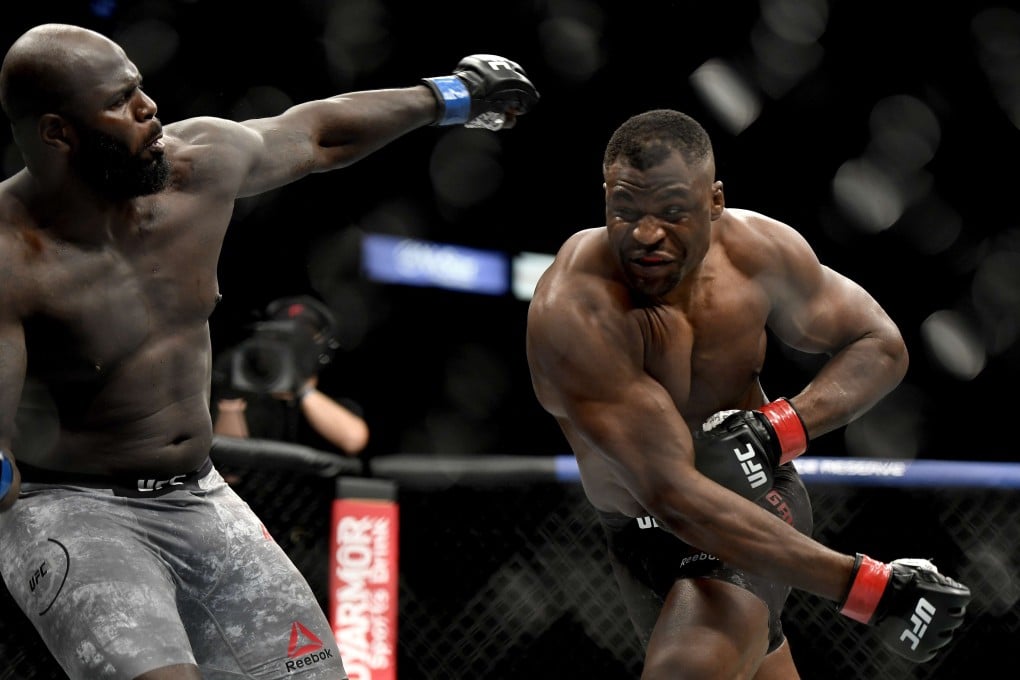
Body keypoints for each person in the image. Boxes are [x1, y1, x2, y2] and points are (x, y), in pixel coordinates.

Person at [0, 22, 537, 680]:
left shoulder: (193, 166)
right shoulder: (10, 257)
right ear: (57, 132)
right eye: (120, 101)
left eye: (140, 87)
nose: (149, 108)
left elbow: (317, 134)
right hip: (73, 506)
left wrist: (455, 95)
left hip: (198, 496)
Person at [525, 109, 970, 679]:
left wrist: (778, 427)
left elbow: (879, 343)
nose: (645, 233)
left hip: (754, 497)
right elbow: (672, 495)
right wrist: (868, 586)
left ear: (714, 201)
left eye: (672, 211)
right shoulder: (577, 308)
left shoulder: (757, 252)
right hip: (641, 529)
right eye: (625, 209)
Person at [213, 295, 370, 455]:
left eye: (301, 340)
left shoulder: (335, 384)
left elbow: (354, 440)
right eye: (279, 337)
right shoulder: (250, 383)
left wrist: (301, 390)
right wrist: (230, 399)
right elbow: (228, 465)